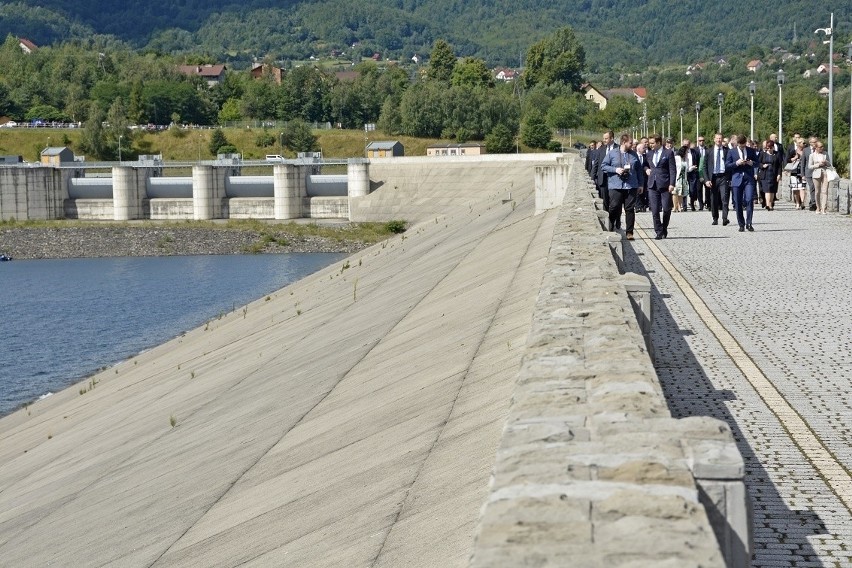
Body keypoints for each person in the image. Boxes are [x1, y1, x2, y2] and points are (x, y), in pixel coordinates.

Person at [601, 133, 644, 240]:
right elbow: (603, 166)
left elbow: (639, 170)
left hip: (631, 186)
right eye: (630, 143)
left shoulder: (633, 154)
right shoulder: (612, 154)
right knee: (614, 207)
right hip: (616, 185)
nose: (633, 145)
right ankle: (611, 227)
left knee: (630, 209)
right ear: (624, 142)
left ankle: (629, 233)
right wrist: (616, 170)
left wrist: (641, 184)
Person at [644, 134, 676, 240]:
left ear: (658, 143)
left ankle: (664, 227)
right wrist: (646, 169)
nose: (651, 145)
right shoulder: (649, 154)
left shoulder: (668, 153)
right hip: (652, 185)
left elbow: (672, 169)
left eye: (652, 143)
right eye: (650, 143)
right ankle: (658, 231)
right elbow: (644, 164)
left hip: (665, 184)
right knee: (655, 209)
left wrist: (672, 183)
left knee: (667, 208)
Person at [725, 134, 759, 232]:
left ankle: (749, 223)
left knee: (749, 200)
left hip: (748, 178)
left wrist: (751, 163)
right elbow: (727, 166)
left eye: (744, 146)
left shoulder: (751, 151)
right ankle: (741, 224)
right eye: (741, 146)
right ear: (737, 144)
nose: (742, 147)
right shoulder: (731, 152)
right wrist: (736, 163)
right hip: (736, 179)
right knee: (738, 202)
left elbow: (757, 163)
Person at [700, 133, 730, 225]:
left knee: (724, 198)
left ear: (722, 140)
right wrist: (706, 179)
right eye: (717, 138)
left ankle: (725, 218)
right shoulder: (709, 151)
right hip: (713, 178)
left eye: (720, 138)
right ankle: (715, 218)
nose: (719, 140)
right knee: (714, 199)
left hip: (723, 177)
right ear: (714, 139)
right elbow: (704, 166)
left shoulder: (727, 151)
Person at [593, 131, 618, 225]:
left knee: (615, 203)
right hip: (603, 179)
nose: (604, 140)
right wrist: (593, 177)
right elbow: (596, 164)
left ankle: (617, 219)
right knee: (605, 202)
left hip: (615, 180)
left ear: (612, 138)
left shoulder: (618, 148)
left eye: (606, 138)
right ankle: (609, 223)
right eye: (603, 138)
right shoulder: (601, 150)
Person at [757, 139, 782, 210]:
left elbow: (779, 165)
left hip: (773, 174)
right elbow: (758, 163)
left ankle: (771, 203)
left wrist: (779, 174)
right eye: (768, 148)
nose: (769, 149)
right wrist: (762, 166)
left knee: (772, 190)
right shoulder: (762, 154)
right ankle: (768, 205)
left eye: (771, 148)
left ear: (773, 147)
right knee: (767, 190)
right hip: (765, 174)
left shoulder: (777, 154)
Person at [808, 140, 831, 214]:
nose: (822, 148)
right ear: (816, 148)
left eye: (822, 146)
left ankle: (824, 208)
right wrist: (818, 165)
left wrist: (826, 162)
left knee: (825, 191)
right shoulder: (812, 155)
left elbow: (830, 164)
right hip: (816, 173)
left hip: (825, 173)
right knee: (817, 191)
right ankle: (818, 207)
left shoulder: (825, 154)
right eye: (820, 147)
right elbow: (810, 166)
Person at [801, 137, 818, 211]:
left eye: (816, 142)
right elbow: (803, 163)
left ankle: (812, 203)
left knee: (816, 188)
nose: (815, 144)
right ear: (810, 143)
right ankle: (813, 203)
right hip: (808, 172)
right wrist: (802, 174)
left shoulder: (818, 149)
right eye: (813, 142)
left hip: (817, 171)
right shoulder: (806, 150)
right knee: (812, 187)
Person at [673, 145, 690, 212]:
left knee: (681, 193)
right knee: (675, 192)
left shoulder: (686, 159)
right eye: (686, 151)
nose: (687, 153)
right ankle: (675, 206)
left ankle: (680, 206)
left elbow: (687, 169)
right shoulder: (676, 158)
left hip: (683, 178)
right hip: (677, 177)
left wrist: (692, 168)